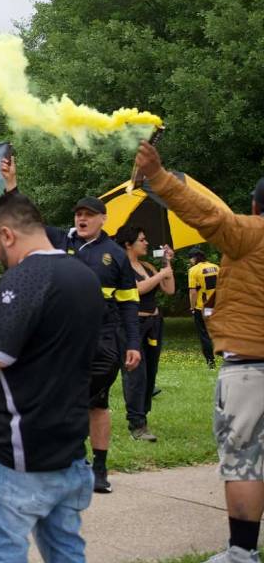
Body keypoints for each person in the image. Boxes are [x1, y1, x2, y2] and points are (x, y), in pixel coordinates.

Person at [0, 190, 104, 562]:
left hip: (19, 458)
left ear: (7, 235)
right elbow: (46, 339)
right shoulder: (83, 274)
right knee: (67, 553)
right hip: (69, 450)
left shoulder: (24, 277)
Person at [132, 144, 264, 563]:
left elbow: (207, 215)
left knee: (244, 460)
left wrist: (158, 176)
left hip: (249, 367)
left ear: (255, 205)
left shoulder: (249, 232)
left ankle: (242, 551)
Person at [0, 158, 141, 494]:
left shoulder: (115, 256)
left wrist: (133, 343)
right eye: (79, 213)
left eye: (89, 214)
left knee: (95, 403)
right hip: (60, 338)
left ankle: (99, 468)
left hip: (102, 339)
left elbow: (129, 303)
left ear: (103, 219)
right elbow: (26, 221)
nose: (82, 218)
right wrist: (11, 186)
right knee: (64, 400)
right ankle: (69, 463)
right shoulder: (59, 240)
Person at [115, 226, 175, 442]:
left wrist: (167, 264)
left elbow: (169, 290)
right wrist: (161, 274)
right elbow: (136, 290)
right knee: (135, 374)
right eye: (142, 239)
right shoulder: (120, 267)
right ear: (128, 244)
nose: (146, 243)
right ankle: (137, 424)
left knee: (150, 373)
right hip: (131, 324)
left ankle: (143, 416)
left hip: (154, 323)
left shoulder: (148, 266)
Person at [188, 249, 219, 368]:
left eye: (190, 259)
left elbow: (193, 292)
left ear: (194, 258)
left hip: (202, 307)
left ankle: (211, 362)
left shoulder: (193, 270)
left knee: (204, 334)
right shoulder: (216, 267)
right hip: (218, 305)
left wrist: (192, 307)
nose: (190, 262)